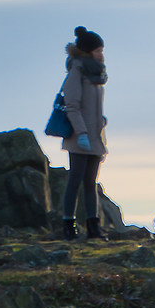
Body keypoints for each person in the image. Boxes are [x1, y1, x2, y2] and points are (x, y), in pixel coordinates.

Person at [60, 25, 108, 240]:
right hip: (80, 137)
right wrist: (81, 133)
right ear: (88, 52)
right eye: (98, 50)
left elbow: (92, 108)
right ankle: (68, 225)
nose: (101, 54)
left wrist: (101, 121)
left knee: (91, 182)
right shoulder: (77, 72)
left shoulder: (97, 76)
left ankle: (94, 227)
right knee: (75, 180)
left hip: (95, 137)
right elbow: (72, 105)